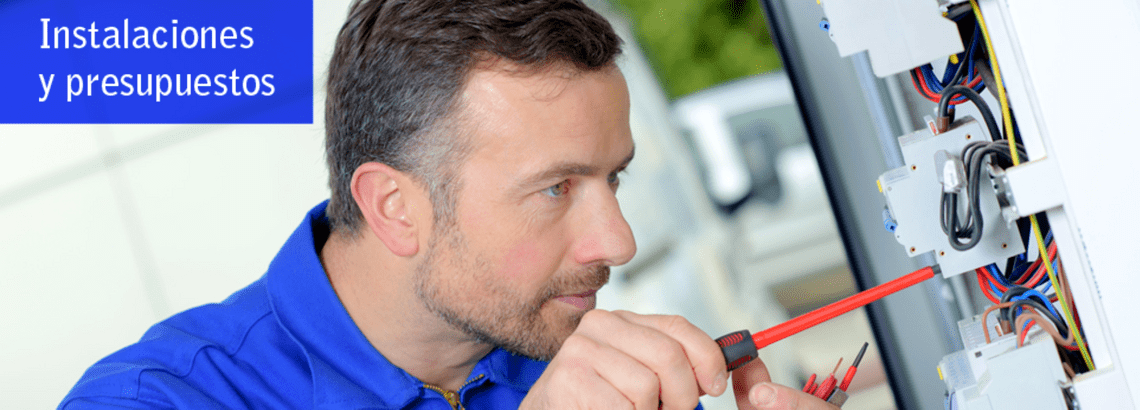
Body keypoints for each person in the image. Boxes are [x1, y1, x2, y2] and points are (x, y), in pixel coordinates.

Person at [60, 1, 837, 409]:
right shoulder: (159, 399)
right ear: (395, 207)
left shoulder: (566, 364)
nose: (619, 240)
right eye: (555, 188)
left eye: (615, 181)